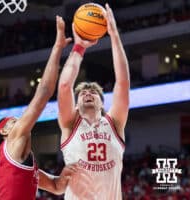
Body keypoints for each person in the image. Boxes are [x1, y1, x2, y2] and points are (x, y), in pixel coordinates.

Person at [0, 16, 77, 200]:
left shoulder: (16, 163)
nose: (20, 121)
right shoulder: (12, 141)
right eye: (14, 121)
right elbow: (44, 91)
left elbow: (55, 187)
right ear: (4, 131)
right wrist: (58, 47)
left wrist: (65, 176)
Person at [58, 4, 130, 200]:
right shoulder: (70, 123)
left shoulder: (114, 122)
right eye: (82, 93)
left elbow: (123, 83)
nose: (87, 93)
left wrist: (114, 35)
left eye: (93, 92)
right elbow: (64, 85)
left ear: (102, 103)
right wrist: (79, 47)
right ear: (75, 105)